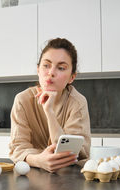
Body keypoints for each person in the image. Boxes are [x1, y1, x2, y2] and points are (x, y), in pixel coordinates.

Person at [9, 38, 91, 173]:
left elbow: (73, 152)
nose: (51, 72)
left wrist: (49, 112)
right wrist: (39, 160)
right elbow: (18, 147)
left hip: (68, 176)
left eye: (61, 68)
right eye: (46, 65)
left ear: (72, 77)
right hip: (31, 173)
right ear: (38, 70)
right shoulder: (22, 100)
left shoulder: (78, 102)